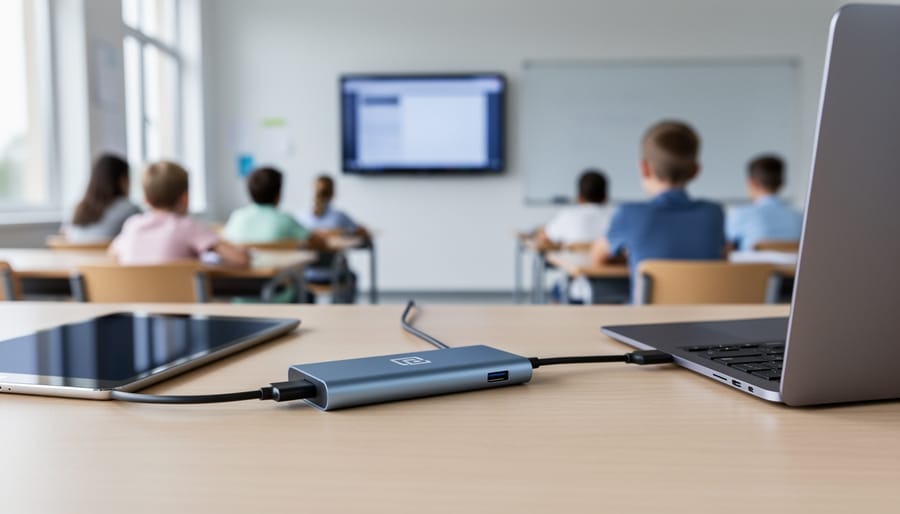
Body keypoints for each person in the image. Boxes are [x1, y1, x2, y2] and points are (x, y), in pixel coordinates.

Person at [590, 120, 725, 299]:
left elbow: (596, 258)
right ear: (695, 170)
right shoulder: (714, 214)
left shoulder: (629, 214)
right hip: (703, 323)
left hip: (644, 324)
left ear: (644, 168)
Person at [110, 161, 249, 267]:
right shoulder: (186, 226)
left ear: (147, 201)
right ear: (184, 198)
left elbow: (113, 256)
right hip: (180, 303)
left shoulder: (132, 225)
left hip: (137, 303)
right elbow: (240, 259)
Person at [296, 175, 368, 303]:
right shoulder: (339, 217)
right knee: (352, 276)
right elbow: (362, 232)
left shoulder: (301, 217)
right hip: (335, 274)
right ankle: (345, 313)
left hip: (307, 275)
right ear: (333, 193)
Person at [726, 155, 803, 251]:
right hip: (792, 266)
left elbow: (724, 247)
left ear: (752, 183)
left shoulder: (739, 214)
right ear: (782, 182)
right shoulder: (800, 218)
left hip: (753, 266)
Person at [222, 167, 316, 245]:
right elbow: (313, 240)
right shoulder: (285, 220)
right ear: (278, 195)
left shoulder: (237, 217)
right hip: (278, 267)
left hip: (242, 267)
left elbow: (224, 240)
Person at [63, 154, 141, 243]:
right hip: (108, 256)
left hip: (75, 256)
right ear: (122, 180)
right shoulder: (130, 209)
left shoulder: (75, 210)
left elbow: (65, 235)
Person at [534, 169, 610, 249]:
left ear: (578, 197)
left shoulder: (568, 216)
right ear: (605, 198)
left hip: (569, 260)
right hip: (604, 261)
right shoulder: (614, 219)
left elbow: (544, 237)